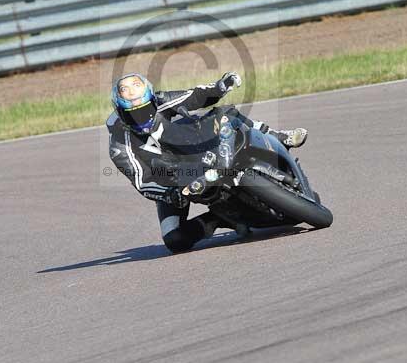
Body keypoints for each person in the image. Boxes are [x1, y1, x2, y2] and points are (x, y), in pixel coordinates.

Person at [106, 71, 308, 253]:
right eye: (132, 114)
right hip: (173, 181)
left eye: (144, 109)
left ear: (151, 100)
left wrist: (220, 86)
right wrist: (170, 194)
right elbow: (142, 181)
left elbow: (194, 96)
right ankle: (218, 219)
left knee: (225, 115)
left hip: (193, 148)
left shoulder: (160, 101)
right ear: (120, 112)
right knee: (174, 239)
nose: (141, 117)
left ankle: (278, 136)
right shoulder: (118, 144)